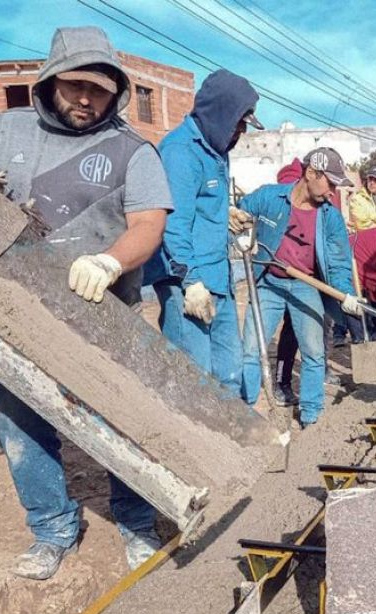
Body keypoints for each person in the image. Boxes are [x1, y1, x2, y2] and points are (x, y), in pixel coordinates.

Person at [0, 27, 173, 580]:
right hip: (15, 313)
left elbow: (148, 223)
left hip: (104, 313)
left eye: (100, 90)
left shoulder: (132, 150)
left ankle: (138, 523)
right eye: (75, 87)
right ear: (51, 82)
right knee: (22, 425)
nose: (87, 100)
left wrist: (111, 261)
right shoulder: (6, 131)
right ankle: (52, 530)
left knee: (127, 423)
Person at [147, 69, 262, 396]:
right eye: (239, 123)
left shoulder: (216, 151)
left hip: (218, 278)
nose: (240, 132)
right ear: (221, 113)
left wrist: (224, 212)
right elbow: (172, 222)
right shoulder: (181, 151)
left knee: (229, 372)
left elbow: (197, 201)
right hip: (188, 283)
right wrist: (190, 282)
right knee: (193, 380)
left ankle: (230, 444)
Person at [237, 147, 361, 428]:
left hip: (306, 286)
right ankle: (243, 410)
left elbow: (340, 262)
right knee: (252, 349)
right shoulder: (270, 197)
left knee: (314, 352)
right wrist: (243, 235)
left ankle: (311, 415)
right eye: (329, 183)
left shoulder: (330, 216)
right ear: (310, 173)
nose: (332, 191)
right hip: (269, 282)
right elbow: (239, 212)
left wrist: (347, 295)